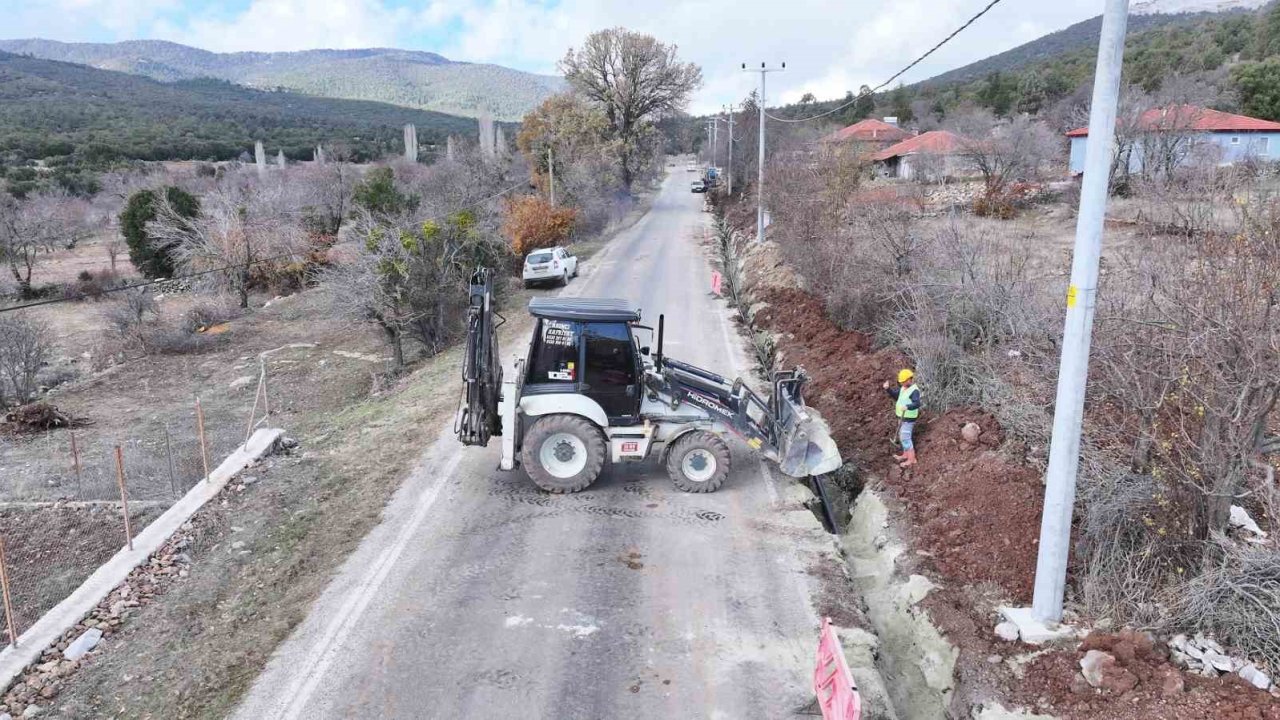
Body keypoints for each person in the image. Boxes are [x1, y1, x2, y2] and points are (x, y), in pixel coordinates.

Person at [883, 369, 921, 468]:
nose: (902, 383)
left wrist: (908, 406)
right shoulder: (903, 388)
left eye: (904, 381)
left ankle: (912, 459)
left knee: (906, 438)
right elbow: (896, 396)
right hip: (901, 417)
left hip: (908, 418)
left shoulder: (914, 391)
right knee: (902, 436)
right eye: (902, 382)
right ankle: (905, 454)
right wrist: (888, 389)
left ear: (909, 380)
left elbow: (917, 403)